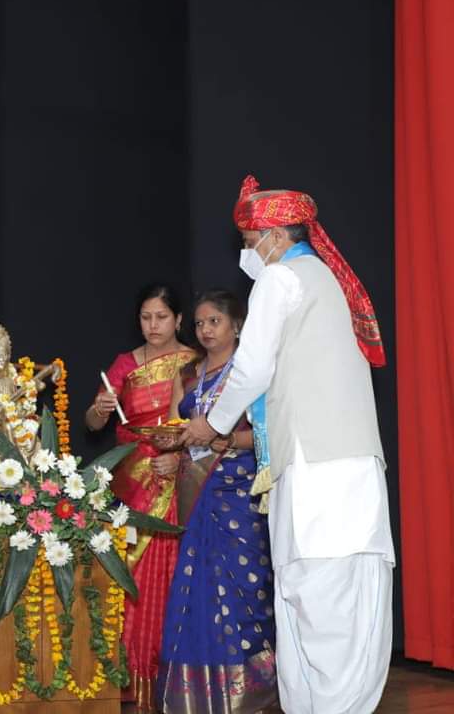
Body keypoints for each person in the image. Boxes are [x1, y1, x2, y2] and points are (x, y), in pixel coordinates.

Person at [180, 176, 394, 713]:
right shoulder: (326, 280)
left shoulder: (281, 280)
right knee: (344, 599)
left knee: (316, 600)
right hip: (349, 468)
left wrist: (214, 422)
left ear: (274, 236)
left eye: (250, 245)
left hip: (319, 468)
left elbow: (250, 368)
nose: (248, 257)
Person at [157, 290, 278, 712]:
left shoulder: (251, 372)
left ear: (237, 326)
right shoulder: (188, 373)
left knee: (243, 588)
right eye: (200, 323)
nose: (206, 330)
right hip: (194, 489)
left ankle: (253, 693)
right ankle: (197, 696)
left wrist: (226, 440)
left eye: (215, 322)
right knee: (197, 588)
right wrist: (168, 453)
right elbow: (177, 430)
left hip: (237, 493)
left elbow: (266, 435)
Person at [85, 283, 196, 712]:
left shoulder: (193, 363)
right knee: (128, 576)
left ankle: (170, 674)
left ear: (179, 320)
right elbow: (93, 423)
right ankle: (127, 677)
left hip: (176, 475)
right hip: (131, 480)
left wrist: (180, 457)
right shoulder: (124, 364)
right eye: (146, 317)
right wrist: (100, 407)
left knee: (170, 572)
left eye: (162, 317)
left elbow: (206, 426)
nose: (153, 326)